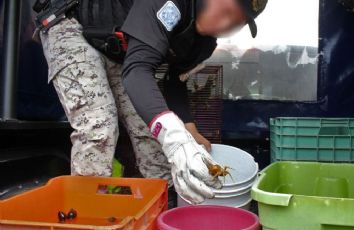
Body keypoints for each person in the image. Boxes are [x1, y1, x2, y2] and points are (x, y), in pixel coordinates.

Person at [36, 0, 268, 204]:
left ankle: (163, 211)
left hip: (116, 49)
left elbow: (174, 80)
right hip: (71, 25)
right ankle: (87, 212)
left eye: (237, 23)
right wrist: (175, 138)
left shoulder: (204, 44)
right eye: (227, 10)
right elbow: (138, 71)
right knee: (99, 127)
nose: (225, 25)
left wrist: (189, 130)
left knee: (150, 133)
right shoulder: (171, 4)